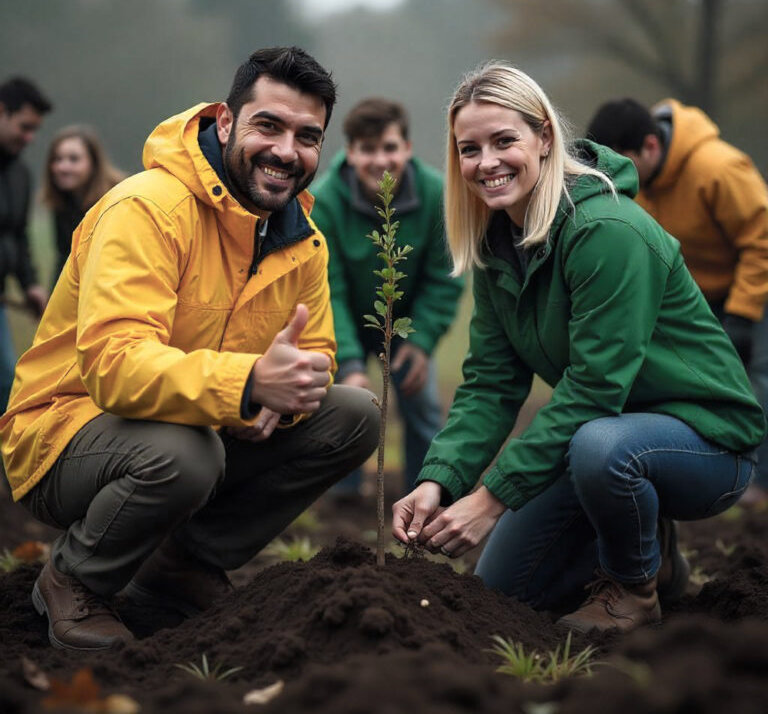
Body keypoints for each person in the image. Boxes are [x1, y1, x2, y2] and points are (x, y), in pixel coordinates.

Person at [0, 47, 380, 651]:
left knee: (356, 415)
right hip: (65, 428)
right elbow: (114, 366)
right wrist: (249, 385)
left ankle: (182, 563)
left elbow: (317, 356)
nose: (287, 151)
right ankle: (75, 578)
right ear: (226, 123)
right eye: (268, 126)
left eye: (308, 136)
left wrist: (283, 400)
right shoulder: (147, 207)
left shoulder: (302, 239)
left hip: (194, 423)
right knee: (187, 452)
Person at [391, 62, 765, 634]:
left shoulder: (607, 231)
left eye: (503, 141)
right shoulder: (498, 248)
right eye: (470, 149)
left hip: (706, 442)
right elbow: (491, 384)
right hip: (612, 433)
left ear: (544, 137)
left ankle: (636, 590)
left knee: (600, 447)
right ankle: (656, 554)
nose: (486, 162)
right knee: (502, 593)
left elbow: (593, 390)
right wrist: (436, 480)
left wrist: (490, 500)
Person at [587, 98, 768, 507]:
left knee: (758, 376)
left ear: (650, 146)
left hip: (754, 284)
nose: (616, 175)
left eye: (625, 164)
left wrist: (742, 314)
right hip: (702, 297)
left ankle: (759, 486)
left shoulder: (718, 168)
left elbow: (763, 239)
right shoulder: (635, 185)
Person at [311, 98, 463, 496]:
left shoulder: (436, 196)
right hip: (344, 322)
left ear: (407, 149)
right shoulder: (323, 202)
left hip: (408, 322)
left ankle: (424, 493)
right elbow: (329, 290)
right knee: (343, 404)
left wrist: (423, 341)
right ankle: (342, 494)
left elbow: (444, 278)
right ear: (350, 152)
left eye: (390, 148)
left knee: (423, 402)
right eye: (368, 149)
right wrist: (346, 361)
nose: (380, 160)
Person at [0, 77, 51, 413]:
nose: (29, 137)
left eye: (35, 130)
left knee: (7, 380)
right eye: (24, 126)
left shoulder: (19, 174)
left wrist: (30, 282)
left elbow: (18, 235)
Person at [41, 125, 125, 285]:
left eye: (74, 159)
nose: (63, 167)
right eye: (57, 159)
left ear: (94, 163)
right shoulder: (62, 203)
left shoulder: (118, 200)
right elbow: (65, 259)